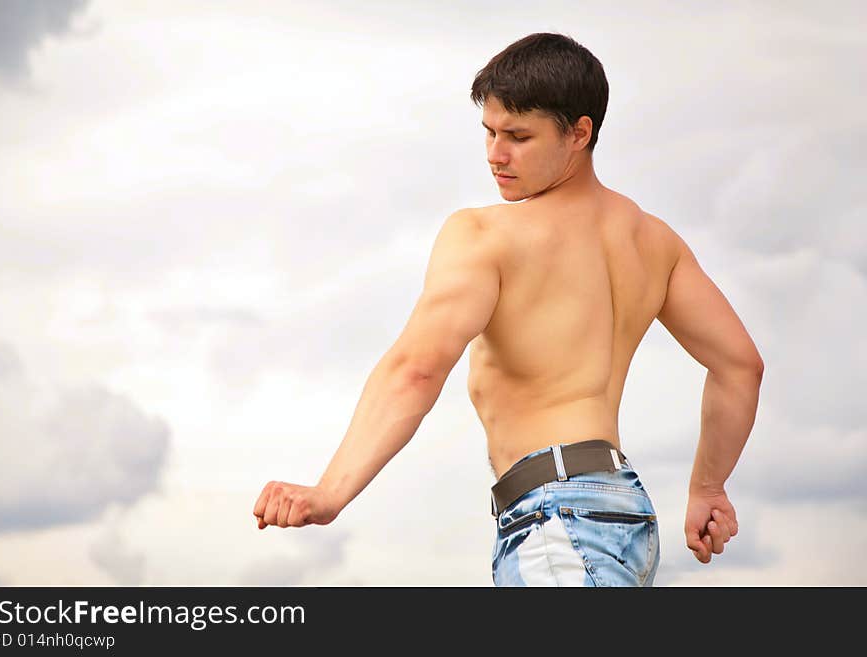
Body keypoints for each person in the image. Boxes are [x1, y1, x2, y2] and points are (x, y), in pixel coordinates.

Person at [252, 32, 764, 586]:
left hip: (555, 517)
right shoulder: (654, 241)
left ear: (580, 133)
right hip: (622, 515)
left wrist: (330, 491)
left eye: (519, 137)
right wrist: (708, 487)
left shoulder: (485, 235)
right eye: (490, 132)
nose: (496, 154)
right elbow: (740, 365)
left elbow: (416, 369)